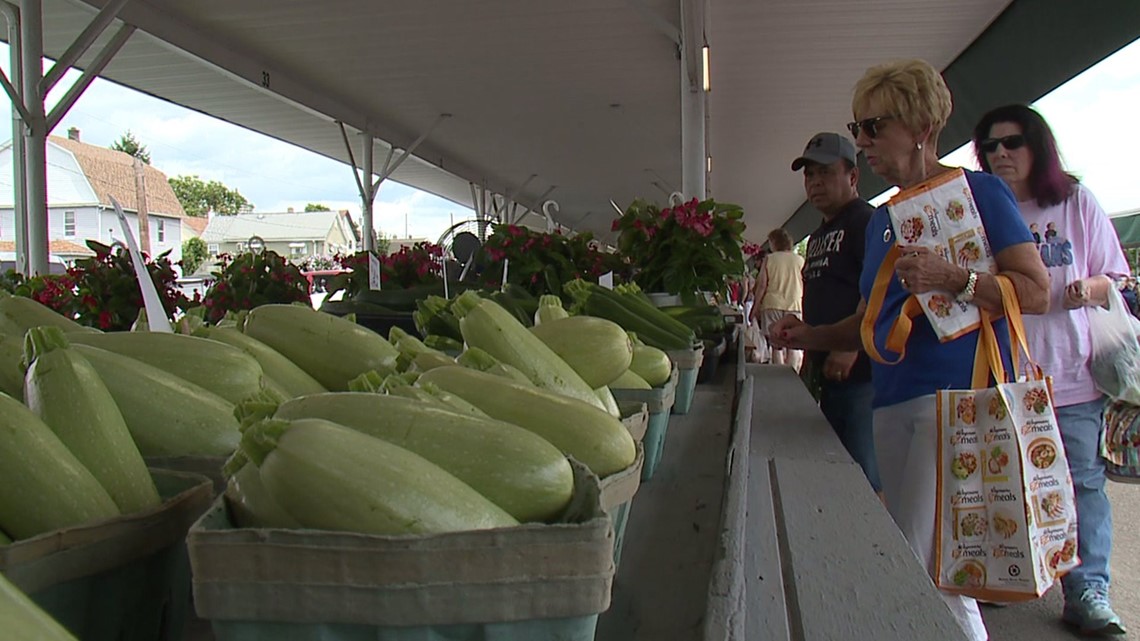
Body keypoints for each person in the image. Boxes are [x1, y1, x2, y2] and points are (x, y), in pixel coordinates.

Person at [769, 59, 1049, 641]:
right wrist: (808, 335)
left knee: (926, 571)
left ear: (921, 125)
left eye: (874, 127)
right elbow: (871, 322)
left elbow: (1035, 291)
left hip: (954, 403)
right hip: (893, 402)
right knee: (928, 565)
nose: (864, 141)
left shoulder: (980, 192)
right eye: (860, 128)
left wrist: (957, 279)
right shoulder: (883, 221)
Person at [974, 104, 1130, 636]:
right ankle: (1016, 575)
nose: (1001, 154)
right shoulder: (983, 210)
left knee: (1083, 482)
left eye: (1012, 142)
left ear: (1037, 146)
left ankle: (1087, 587)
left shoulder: (1074, 201)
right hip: (1007, 372)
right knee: (1012, 481)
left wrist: (1088, 289)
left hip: (1072, 372)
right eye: (990, 146)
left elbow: (1116, 275)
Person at [790, 131, 880, 494]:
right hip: (824, 373)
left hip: (859, 377)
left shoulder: (866, 222)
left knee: (862, 473)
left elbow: (876, 291)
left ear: (853, 177)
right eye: (809, 175)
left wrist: (849, 348)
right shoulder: (817, 235)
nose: (815, 183)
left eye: (825, 173)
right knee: (833, 465)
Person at [750, 228, 804, 370]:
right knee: (792, 344)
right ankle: (792, 377)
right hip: (794, 305)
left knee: (776, 345)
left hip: (772, 305)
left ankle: (779, 376)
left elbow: (762, 285)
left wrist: (755, 309)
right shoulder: (800, 260)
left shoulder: (770, 259)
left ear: (774, 242)